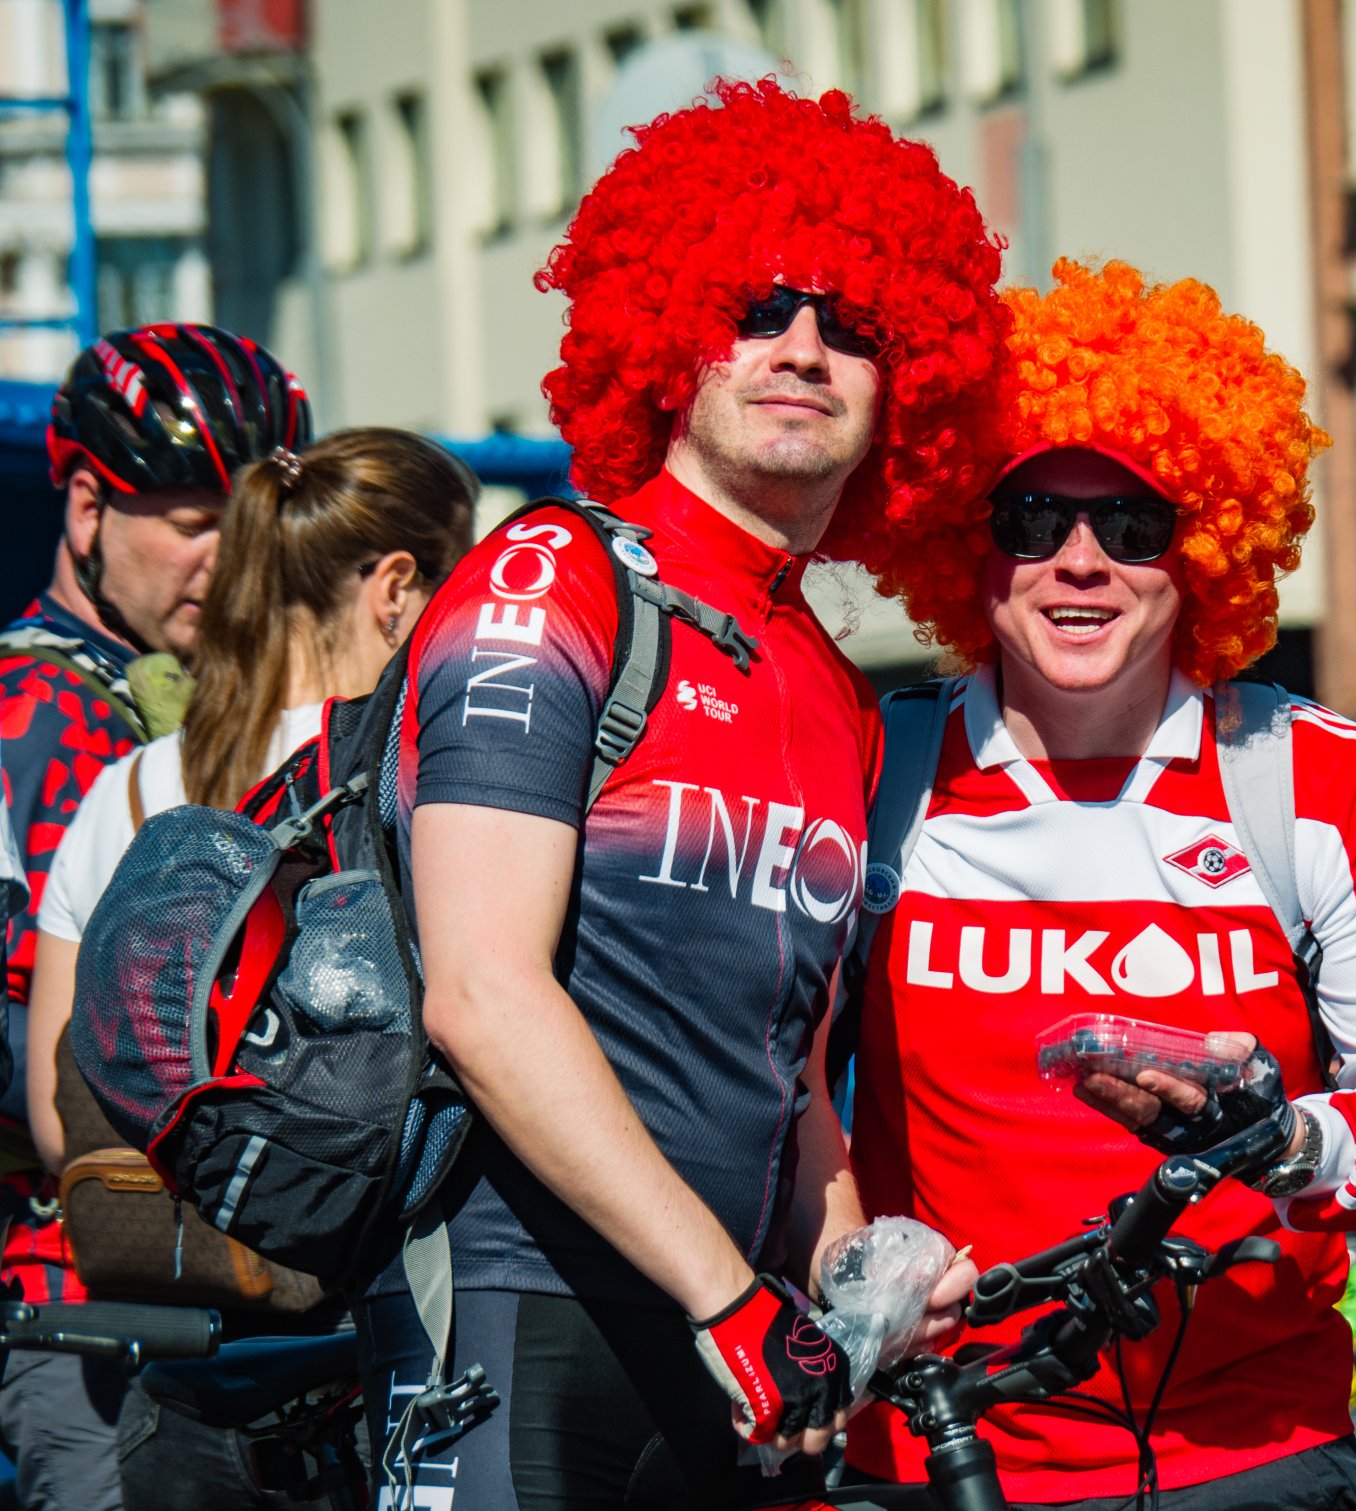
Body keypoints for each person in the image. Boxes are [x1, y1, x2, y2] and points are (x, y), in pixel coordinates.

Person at [351, 81, 1006, 1509]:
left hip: (728, 1350)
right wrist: (728, 1295)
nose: (804, 349)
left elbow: (793, 1077)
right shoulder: (550, 582)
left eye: (856, 326)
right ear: (666, 330)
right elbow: (482, 989)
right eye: (760, 305)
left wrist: (855, 1280)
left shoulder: (829, 681)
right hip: (516, 1312)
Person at [842, 259, 1356, 1509]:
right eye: (1032, 519)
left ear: (1203, 543)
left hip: (1248, 1456)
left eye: (1133, 522)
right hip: (944, 1453)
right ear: (968, 548)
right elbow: (761, 1083)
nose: (1081, 561)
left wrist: (1289, 1139)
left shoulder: (1310, 777)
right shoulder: (880, 770)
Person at [23, 426, 475, 1511]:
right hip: (375, 1340)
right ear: (400, 588)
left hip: (172, 1342)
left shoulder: (131, 785)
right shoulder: (428, 782)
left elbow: (56, 1106)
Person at [0, 324, 308, 1511]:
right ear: (86, 506)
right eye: (191, 518)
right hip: (89, 1308)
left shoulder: (219, 704)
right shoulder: (38, 711)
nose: (229, 555)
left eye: (251, 515)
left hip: (236, 1299)